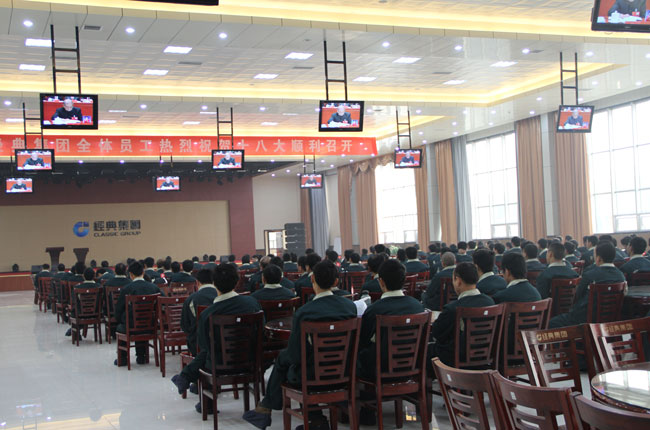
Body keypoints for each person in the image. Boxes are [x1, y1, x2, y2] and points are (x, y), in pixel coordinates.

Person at [242, 260, 357, 430]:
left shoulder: (305, 312)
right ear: (336, 282)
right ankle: (310, 418)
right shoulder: (350, 307)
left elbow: (295, 354)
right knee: (292, 361)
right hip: (344, 372)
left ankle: (268, 409)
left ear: (312, 279)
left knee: (287, 362)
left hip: (311, 376)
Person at [172, 263, 261, 414]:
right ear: (237, 282)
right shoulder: (252, 303)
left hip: (218, 365)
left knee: (207, 352)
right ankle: (185, 377)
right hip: (250, 361)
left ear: (215, 283)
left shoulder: (207, 314)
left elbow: (203, 345)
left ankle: (205, 402)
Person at [358, 259, 424, 378]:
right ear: (404, 280)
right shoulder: (418, 306)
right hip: (412, 364)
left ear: (381, 282)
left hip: (381, 368)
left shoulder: (374, 310)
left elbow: (362, 340)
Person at [430, 262, 495, 367]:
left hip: (457, 359)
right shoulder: (490, 303)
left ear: (458, 280)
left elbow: (437, 333)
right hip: (485, 356)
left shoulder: (452, 308)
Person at [550, 242, 626, 328]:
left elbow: (578, 296)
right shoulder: (621, 275)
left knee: (552, 323)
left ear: (599, 259)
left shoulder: (590, 275)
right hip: (610, 318)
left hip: (585, 318)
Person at [114, 261, 164, 366]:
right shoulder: (154, 287)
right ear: (143, 272)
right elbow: (164, 302)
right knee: (142, 321)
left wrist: (121, 320)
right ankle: (142, 356)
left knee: (122, 326)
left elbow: (118, 310)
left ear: (130, 274)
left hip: (131, 326)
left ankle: (123, 358)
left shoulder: (127, 289)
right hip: (150, 326)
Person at [180, 269, 219, 356]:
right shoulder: (221, 296)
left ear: (197, 282)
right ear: (214, 281)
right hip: (221, 343)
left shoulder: (191, 299)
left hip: (198, 346)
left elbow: (185, 326)